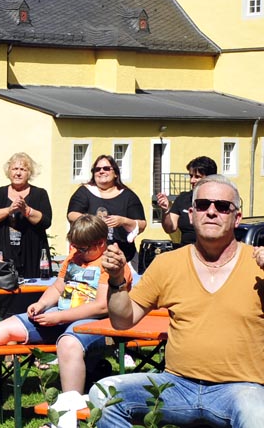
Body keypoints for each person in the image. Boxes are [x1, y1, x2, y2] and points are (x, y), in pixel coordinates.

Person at [90, 174, 264, 427]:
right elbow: (122, 320)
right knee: (104, 394)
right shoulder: (168, 263)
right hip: (177, 386)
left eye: (222, 206)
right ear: (191, 214)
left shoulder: (257, 264)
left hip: (241, 389)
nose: (212, 212)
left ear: (236, 217)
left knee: (258, 416)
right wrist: (117, 279)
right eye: (203, 205)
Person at [0, 214, 132, 394]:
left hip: (97, 325)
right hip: (61, 316)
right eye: (74, 247)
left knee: (68, 342)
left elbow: (102, 306)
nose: (77, 252)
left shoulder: (112, 264)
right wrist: (41, 304)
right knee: (13, 324)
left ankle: (70, 409)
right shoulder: (74, 258)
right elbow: (58, 288)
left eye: (83, 248)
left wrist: (58, 316)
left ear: (101, 243)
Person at [67, 155, 146, 265]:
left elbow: (141, 224)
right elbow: (72, 214)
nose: (101, 171)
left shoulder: (128, 195)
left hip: (122, 256)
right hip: (89, 257)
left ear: (116, 173)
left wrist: (122, 221)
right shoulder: (84, 192)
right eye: (97, 169)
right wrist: (94, 222)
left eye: (106, 168)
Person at [0, 152, 52, 277]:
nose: (18, 173)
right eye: (15, 169)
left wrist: (27, 210)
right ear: (9, 171)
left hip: (31, 255)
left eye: (23, 169)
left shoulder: (40, 194)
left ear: (29, 173)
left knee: (31, 294)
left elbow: (46, 222)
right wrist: (8, 210)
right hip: (1, 255)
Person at [155, 155, 217, 247]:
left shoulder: (220, 201)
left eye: (197, 177)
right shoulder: (183, 198)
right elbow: (170, 228)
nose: (192, 180)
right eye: (191, 176)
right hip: (185, 251)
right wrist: (166, 210)